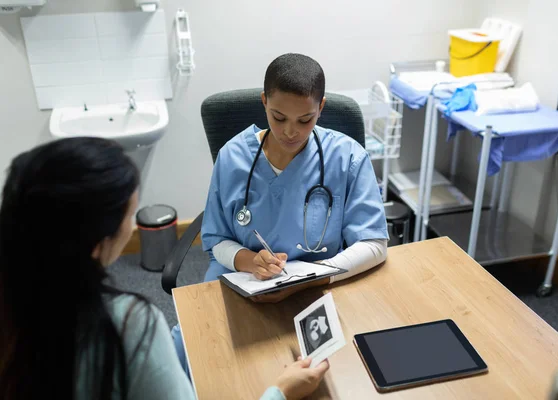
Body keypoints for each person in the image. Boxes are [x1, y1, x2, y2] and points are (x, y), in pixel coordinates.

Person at [0, 138, 329, 400]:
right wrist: (281, 391)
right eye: (130, 215)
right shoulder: (129, 324)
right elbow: (216, 237)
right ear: (98, 241)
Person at [172, 52, 388, 369]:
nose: (290, 132)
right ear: (264, 102)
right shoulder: (233, 157)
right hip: (242, 286)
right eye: (278, 117)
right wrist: (249, 260)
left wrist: (311, 278)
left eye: (305, 120)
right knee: (197, 356)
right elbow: (216, 239)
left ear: (321, 108)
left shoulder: (347, 158)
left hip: (317, 292)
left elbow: (374, 244)